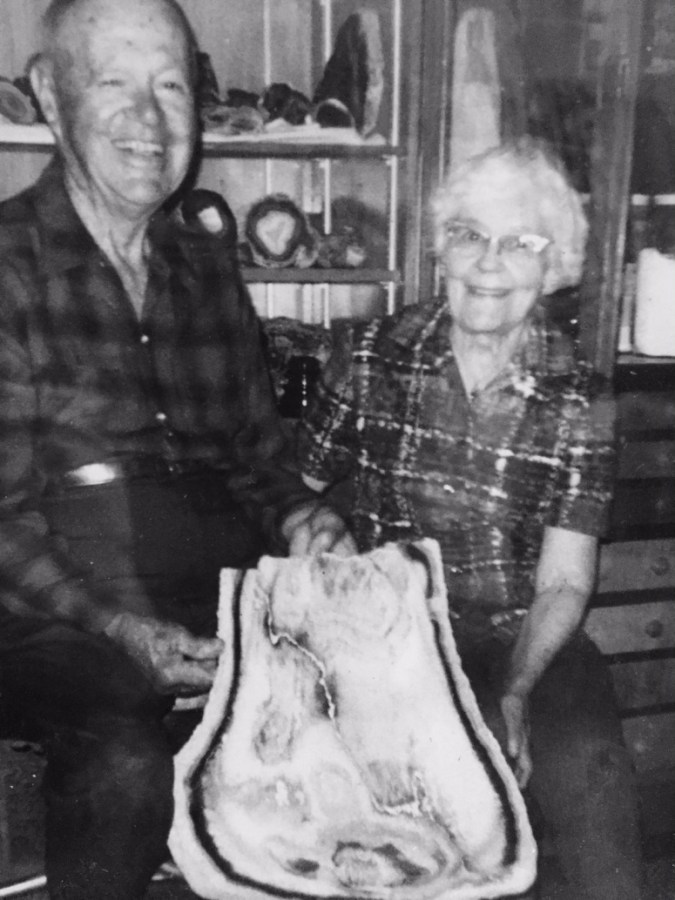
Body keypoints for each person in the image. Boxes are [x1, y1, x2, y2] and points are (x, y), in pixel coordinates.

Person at [0, 1, 352, 898]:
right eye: (113, 81)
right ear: (49, 93)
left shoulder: (207, 268)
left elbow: (251, 456)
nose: (149, 121)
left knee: (371, 719)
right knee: (121, 753)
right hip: (54, 617)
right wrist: (120, 628)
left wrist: (302, 515)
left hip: (215, 594)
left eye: (168, 86)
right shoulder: (3, 266)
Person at [297, 137, 644, 900]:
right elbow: (296, 489)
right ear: (439, 251)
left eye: (519, 243)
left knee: (588, 767)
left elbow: (562, 580)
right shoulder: (365, 355)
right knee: (419, 807)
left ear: (551, 268)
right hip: (392, 633)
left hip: (526, 631)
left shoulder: (580, 398)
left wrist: (515, 690)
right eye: (468, 236)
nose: (489, 264)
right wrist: (319, 524)